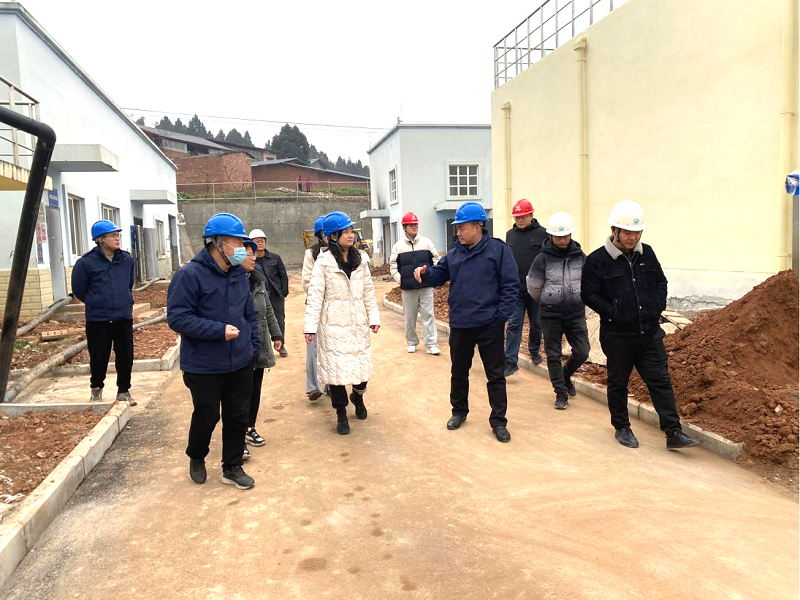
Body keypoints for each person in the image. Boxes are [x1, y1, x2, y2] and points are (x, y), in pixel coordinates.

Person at [580, 201, 699, 450]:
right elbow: (589, 294)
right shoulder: (597, 260)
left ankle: (673, 432)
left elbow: (660, 282)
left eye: (637, 232)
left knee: (660, 381)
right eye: (627, 232)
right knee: (618, 383)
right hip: (617, 336)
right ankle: (622, 427)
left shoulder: (647, 254)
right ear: (614, 231)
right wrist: (615, 313)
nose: (633, 237)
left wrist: (656, 308)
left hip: (649, 334)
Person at [167, 213, 261, 490]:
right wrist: (218, 330)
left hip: (240, 360)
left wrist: (254, 348)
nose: (242, 248)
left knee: (237, 415)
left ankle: (232, 466)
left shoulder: (239, 274)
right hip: (204, 364)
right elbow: (178, 318)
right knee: (207, 415)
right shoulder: (189, 276)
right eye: (237, 242)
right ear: (218, 243)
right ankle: (197, 455)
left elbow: (250, 315)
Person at [414, 202, 518, 443]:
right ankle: (459, 411)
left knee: (495, 375)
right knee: (459, 371)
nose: (458, 232)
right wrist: (426, 273)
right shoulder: (455, 253)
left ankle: (498, 420)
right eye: (457, 228)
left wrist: (500, 317)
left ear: (477, 227)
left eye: (462, 228)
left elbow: (511, 286)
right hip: (461, 324)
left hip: (489, 324)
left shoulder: (499, 251)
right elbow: (440, 274)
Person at [304, 211, 380, 435]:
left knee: (361, 371)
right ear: (333, 237)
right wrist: (310, 328)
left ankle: (358, 396)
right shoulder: (323, 262)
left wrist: (373, 318)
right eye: (345, 232)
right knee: (335, 374)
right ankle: (341, 414)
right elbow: (315, 296)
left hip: (357, 325)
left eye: (351, 231)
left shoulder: (361, 260)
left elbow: (368, 292)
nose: (350, 235)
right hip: (332, 327)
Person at [527, 212, 590, 410]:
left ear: (571, 235)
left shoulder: (580, 257)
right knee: (553, 355)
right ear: (551, 236)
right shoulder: (542, 258)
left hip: (575, 313)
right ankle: (560, 393)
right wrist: (548, 301)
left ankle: (565, 375)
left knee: (583, 351)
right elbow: (533, 286)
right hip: (550, 315)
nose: (562, 240)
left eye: (565, 236)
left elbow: (588, 282)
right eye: (558, 236)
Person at [71, 220, 137, 406]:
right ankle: (96, 389)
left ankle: (123, 391)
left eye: (118, 235)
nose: (117, 239)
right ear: (100, 240)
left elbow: (129, 284)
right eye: (112, 235)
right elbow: (79, 289)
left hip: (123, 316)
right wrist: (96, 301)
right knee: (99, 356)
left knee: (125, 356)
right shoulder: (86, 263)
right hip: (98, 319)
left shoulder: (126, 260)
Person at [241, 238, 284, 455]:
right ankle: (238, 436)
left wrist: (276, 334)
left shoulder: (257, 280)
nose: (252, 257)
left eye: (253, 253)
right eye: (248, 253)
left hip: (259, 344)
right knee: (240, 393)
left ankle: (250, 427)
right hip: (241, 347)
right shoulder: (232, 283)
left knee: (255, 389)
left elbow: (268, 310)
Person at [504, 198, 549, 376]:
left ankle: (534, 350)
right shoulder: (510, 235)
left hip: (536, 290)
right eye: (517, 217)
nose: (520, 220)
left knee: (537, 323)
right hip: (516, 289)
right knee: (514, 324)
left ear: (531, 215)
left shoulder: (543, 234)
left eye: (523, 216)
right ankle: (510, 361)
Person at [389, 211, 441, 355]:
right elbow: (393, 266)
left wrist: (432, 276)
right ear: (404, 227)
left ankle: (431, 344)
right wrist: (401, 280)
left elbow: (436, 260)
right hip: (408, 288)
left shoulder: (426, 243)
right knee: (409, 317)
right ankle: (412, 342)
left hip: (426, 286)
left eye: (416, 224)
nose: (414, 227)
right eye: (411, 225)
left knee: (428, 315)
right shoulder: (398, 247)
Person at [250, 228, 289, 357]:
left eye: (262, 241)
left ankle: (281, 344)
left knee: (279, 320)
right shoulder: (251, 260)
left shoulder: (275, 257)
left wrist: (284, 291)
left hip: (276, 295)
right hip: (260, 296)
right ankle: (261, 348)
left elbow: (283, 275)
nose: (260, 243)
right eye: (257, 241)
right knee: (260, 321)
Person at [302, 215, 328, 401]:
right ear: (320, 235)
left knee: (333, 345)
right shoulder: (311, 254)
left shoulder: (342, 253)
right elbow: (306, 282)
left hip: (336, 306)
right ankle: (313, 386)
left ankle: (332, 384)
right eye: (326, 232)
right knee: (313, 346)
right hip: (315, 305)